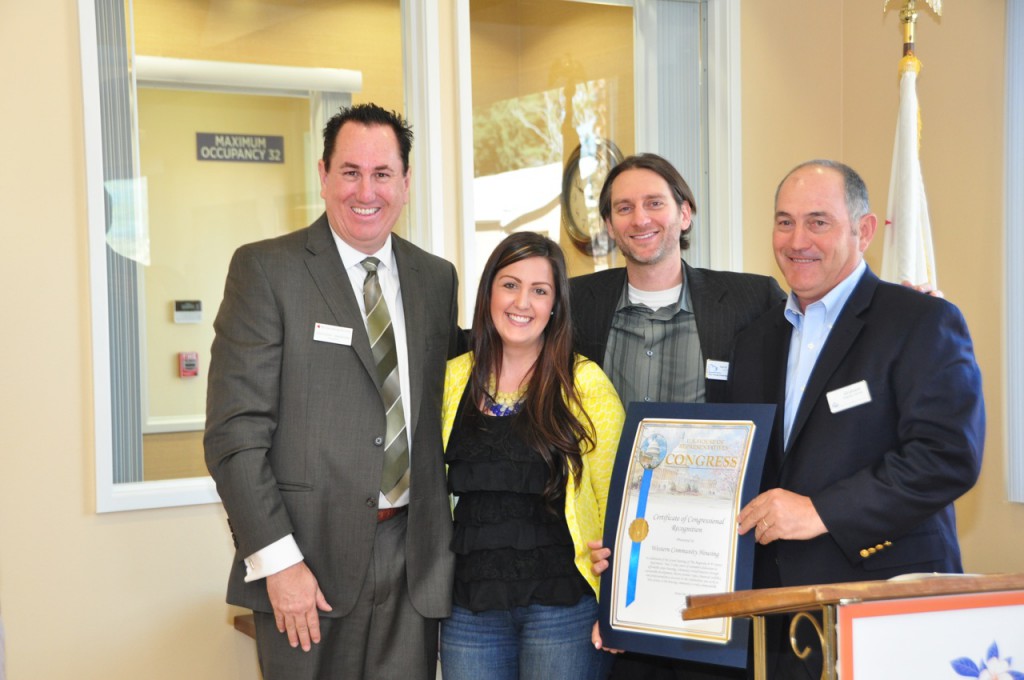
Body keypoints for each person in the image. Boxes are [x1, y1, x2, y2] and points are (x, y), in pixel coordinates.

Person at [204, 103, 462, 680]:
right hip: (306, 568)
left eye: (381, 174)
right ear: (322, 175)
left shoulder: (434, 278)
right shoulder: (268, 270)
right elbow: (234, 436)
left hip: (412, 564)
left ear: (406, 183)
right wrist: (278, 563)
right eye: (350, 172)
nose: (365, 190)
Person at [730, 159, 985, 678]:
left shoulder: (921, 321)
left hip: (885, 607)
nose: (797, 239)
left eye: (818, 221)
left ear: (863, 230)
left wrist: (820, 511)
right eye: (784, 221)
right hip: (779, 622)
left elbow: (947, 457)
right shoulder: (755, 340)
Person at [573, 153, 785, 680]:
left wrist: (899, 306)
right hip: (616, 558)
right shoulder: (579, 302)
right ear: (608, 225)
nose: (640, 218)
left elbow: (819, 338)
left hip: (712, 554)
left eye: (654, 203)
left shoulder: (749, 298)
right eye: (623, 207)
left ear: (685, 213)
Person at [439, 232, 625, 680]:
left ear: (555, 306)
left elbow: (619, 497)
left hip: (562, 606)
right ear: (488, 293)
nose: (522, 302)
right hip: (469, 608)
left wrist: (617, 603)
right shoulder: (451, 378)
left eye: (539, 291)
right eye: (510, 284)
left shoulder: (585, 383)